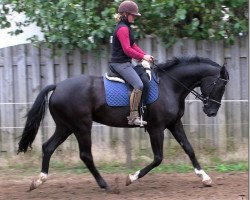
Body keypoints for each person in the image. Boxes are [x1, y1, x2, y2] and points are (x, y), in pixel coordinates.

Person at [110, 0, 153, 126]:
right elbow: (127, 50)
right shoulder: (122, 29)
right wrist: (143, 57)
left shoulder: (126, 27)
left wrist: (144, 55)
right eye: (132, 15)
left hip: (126, 63)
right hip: (120, 64)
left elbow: (133, 45)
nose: (134, 17)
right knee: (138, 85)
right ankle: (133, 117)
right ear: (125, 14)